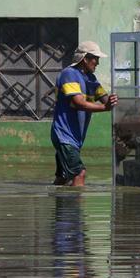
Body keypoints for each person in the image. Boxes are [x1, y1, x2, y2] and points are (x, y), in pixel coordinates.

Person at [51, 41, 118, 186]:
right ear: (85, 58)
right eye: (95, 58)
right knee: (79, 173)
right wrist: (105, 108)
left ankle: (58, 206)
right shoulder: (69, 74)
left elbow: (105, 98)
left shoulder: (91, 79)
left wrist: (113, 101)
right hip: (64, 136)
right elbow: (77, 103)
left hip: (73, 138)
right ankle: (76, 208)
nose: (98, 63)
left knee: (62, 178)